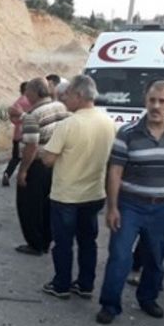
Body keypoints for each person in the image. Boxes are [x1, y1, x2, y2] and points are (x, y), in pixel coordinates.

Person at [96, 80, 164, 324]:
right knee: (120, 256)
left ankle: (148, 298)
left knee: (155, 257)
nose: (156, 106)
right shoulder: (128, 133)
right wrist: (112, 207)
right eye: (152, 100)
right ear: (146, 101)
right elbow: (115, 171)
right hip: (131, 204)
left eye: (162, 101)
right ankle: (110, 305)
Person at [39, 75, 116, 299]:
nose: (65, 97)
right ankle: (85, 284)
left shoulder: (68, 124)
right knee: (87, 242)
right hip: (94, 194)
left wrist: (44, 152)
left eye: (69, 94)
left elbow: (49, 160)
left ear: (80, 96)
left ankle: (61, 284)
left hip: (66, 195)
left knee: (63, 243)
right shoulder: (109, 123)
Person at [15, 78, 69, 256]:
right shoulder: (60, 107)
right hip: (55, 163)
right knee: (47, 205)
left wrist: (23, 171)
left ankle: (35, 243)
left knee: (29, 206)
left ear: (36, 92)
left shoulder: (33, 114)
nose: (26, 95)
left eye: (28, 91)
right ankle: (46, 239)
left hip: (37, 165)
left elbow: (31, 146)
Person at [2, 81, 31, 186]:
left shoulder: (17, 102)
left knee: (15, 158)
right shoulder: (30, 102)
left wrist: (17, 122)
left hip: (17, 134)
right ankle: (26, 177)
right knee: (29, 157)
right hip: (27, 135)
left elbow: (12, 117)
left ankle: (7, 173)